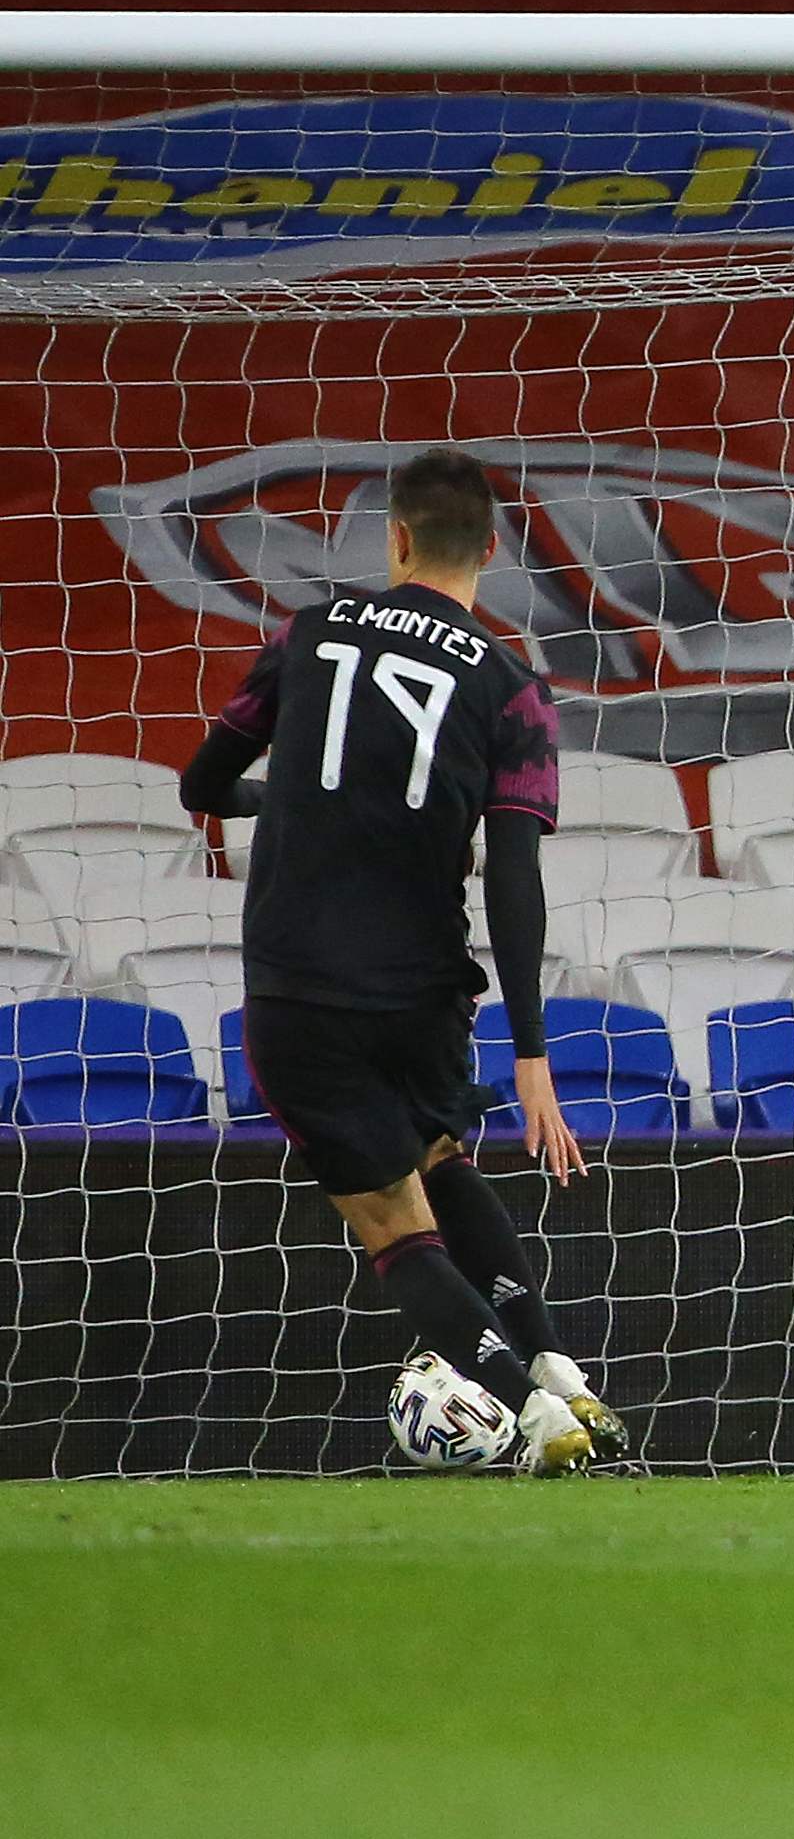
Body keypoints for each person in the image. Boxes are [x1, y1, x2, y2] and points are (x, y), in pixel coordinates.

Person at [177, 445, 621, 1475]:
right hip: (425, 990)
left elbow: (204, 782)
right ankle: (559, 1370)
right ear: (492, 550)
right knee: (438, 1161)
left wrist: (274, 796)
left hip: (302, 983)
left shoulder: (309, 633)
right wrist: (532, 1054)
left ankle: (532, 1415)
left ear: (398, 538)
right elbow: (515, 876)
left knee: (391, 1223)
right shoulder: (515, 688)